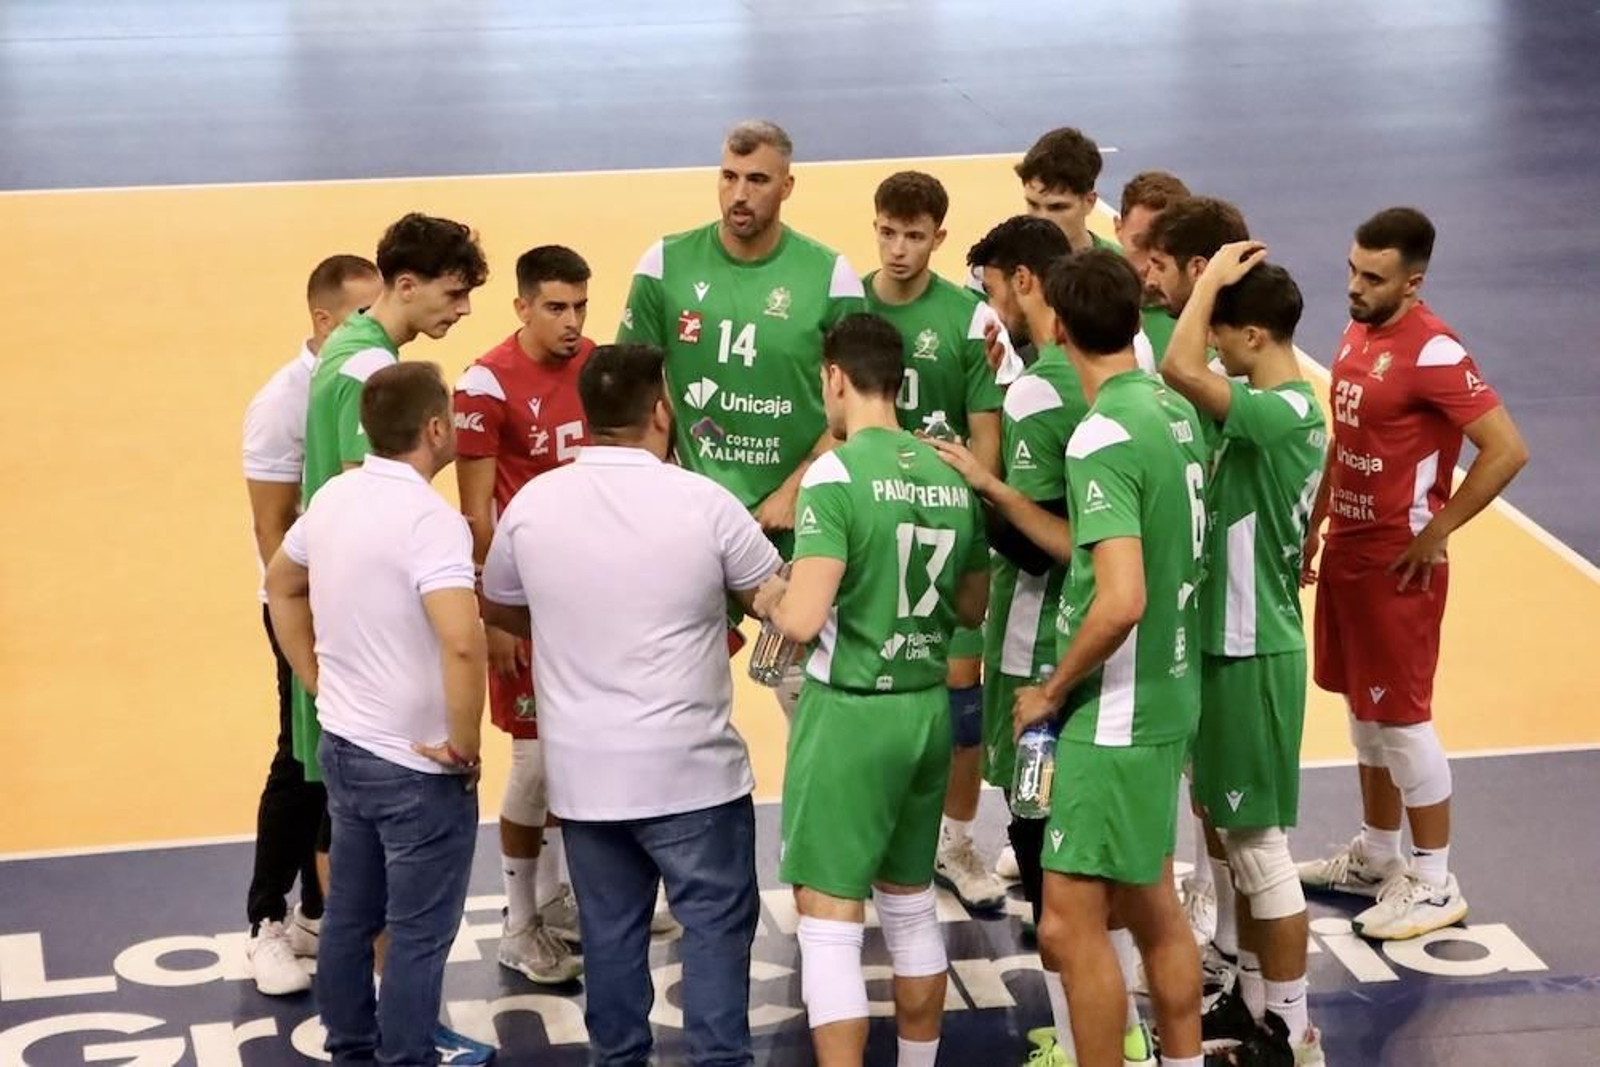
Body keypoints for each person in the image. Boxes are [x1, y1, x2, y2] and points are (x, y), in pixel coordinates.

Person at [480, 343, 782, 1067]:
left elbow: (500, 603)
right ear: (659, 410)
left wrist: (567, 626)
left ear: (588, 416)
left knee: (610, 943)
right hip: (694, 779)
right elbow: (774, 599)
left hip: (587, 781)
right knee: (714, 932)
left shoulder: (532, 506)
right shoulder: (704, 502)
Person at [754, 313, 989, 1067]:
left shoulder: (835, 473)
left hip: (850, 712)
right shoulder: (950, 471)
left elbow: (804, 615)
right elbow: (972, 607)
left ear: (834, 377)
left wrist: (766, 594)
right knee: (912, 906)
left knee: (828, 920)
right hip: (924, 708)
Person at [946, 224, 1154, 1067]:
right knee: (1121, 874)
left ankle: (1081, 1042)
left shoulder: (1038, 392)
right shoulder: (1141, 379)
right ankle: (1127, 1034)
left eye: (992, 286)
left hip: (1045, 654)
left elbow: (1045, 545)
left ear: (1024, 283)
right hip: (1136, 675)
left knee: (1047, 869)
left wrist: (974, 500)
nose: (990, 306)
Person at [293, 212, 492, 1063]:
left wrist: (315, 676)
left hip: (346, 705)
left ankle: (357, 1043)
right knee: (414, 926)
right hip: (401, 734)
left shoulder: (345, 357)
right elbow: (455, 635)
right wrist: (464, 741)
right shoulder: (372, 375)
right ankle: (413, 1040)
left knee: (352, 909)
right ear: (404, 284)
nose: (461, 309)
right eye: (453, 292)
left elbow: (291, 566)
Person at [1298, 207, 1528, 941]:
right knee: (1364, 716)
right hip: (1348, 555)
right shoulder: (1357, 331)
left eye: (1373, 277)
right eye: (1352, 270)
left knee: (1402, 720)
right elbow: (1349, 440)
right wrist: (1315, 520)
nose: (1355, 287)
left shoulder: (1434, 350)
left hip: (1399, 564)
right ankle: (1376, 854)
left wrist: (1439, 528)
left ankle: (1433, 880)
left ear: (1414, 281)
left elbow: (1505, 448)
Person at [1014, 249, 1211, 1067]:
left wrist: (1052, 691)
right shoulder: (1173, 409)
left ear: (1058, 327)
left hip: (1116, 712)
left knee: (1067, 924)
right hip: (1170, 697)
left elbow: (1120, 597)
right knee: (1155, 903)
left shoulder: (1101, 434)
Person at [1160, 243, 1328, 1064]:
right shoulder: (1269, 405)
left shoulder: (1287, 410)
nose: (1216, 349)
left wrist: (1207, 285)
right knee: (1231, 833)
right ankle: (1260, 1005)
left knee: (1258, 844)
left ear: (1254, 334)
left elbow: (1178, 366)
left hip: (1254, 649)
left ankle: (1295, 1031)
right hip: (1231, 643)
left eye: (1227, 334)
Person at [862, 170, 1008, 913]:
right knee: (869, 689)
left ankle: (952, 840)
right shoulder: (846, 302)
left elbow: (988, 446)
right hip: (868, 532)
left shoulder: (969, 318)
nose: (898, 248)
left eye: (915, 235)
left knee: (959, 704)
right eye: (888, 230)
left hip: (946, 535)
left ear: (940, 239)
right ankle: (875, 832)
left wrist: (966, 511)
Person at [453, 245, 594, 986]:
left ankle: (558, 899)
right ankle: (518, 923)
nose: (571, 322)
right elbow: (475, 511)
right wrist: (496, 614)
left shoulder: (598, 366)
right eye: (555, 307)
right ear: (521, 307)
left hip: (589, 600)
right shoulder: (485, 383)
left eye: (579, 307)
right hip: (528, 604)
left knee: (575, 754)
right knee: (536, 759)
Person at [241, 253, 381, 995]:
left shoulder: (357, 377)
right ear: (324, 320)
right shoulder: (282, 401)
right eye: (358, 316)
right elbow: (274, 529)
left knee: (340, 761)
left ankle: (318, 913)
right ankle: (265, 921)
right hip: (299, 604)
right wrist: (315, 615)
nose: (370, 328)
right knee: (298, 760)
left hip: (348, 603)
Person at [1114, 171, 1192, 365]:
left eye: (1165, 250)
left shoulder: (1215, 326)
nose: (1150, 267)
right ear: (1117, 229)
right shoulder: (1086, 303)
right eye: (1140, 245)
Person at [1015, 128, 1118, 255]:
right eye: (1033, 204)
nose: (1042, 219)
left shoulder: (1125, 267)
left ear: (1089, 202)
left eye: (1057, 207)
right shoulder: (1004, 265)